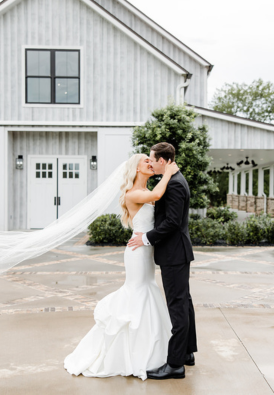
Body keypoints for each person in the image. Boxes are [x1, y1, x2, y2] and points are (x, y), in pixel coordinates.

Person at [64, 153, 179, 380]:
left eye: (150, 160)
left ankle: (155, 349)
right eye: (145, 161)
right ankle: (134, 352)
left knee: (148, 290)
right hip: (137, 251)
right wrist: (169, 173)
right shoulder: (133, 193)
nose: (150, 163)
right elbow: (157, 194)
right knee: (138, 292)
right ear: (136, 169)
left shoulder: (145, 191)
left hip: (146, 249)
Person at [128, 142, 197, 380]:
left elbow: (172, 223)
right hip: (176, 253)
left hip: (174, 254)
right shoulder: (173, 179)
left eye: (152, 159)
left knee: (177, 306)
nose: (151, 163)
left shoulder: (175, 184)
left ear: (163, 161)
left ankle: (175, 365)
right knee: (184, 302)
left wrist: (146, 238)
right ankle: (187, 353)